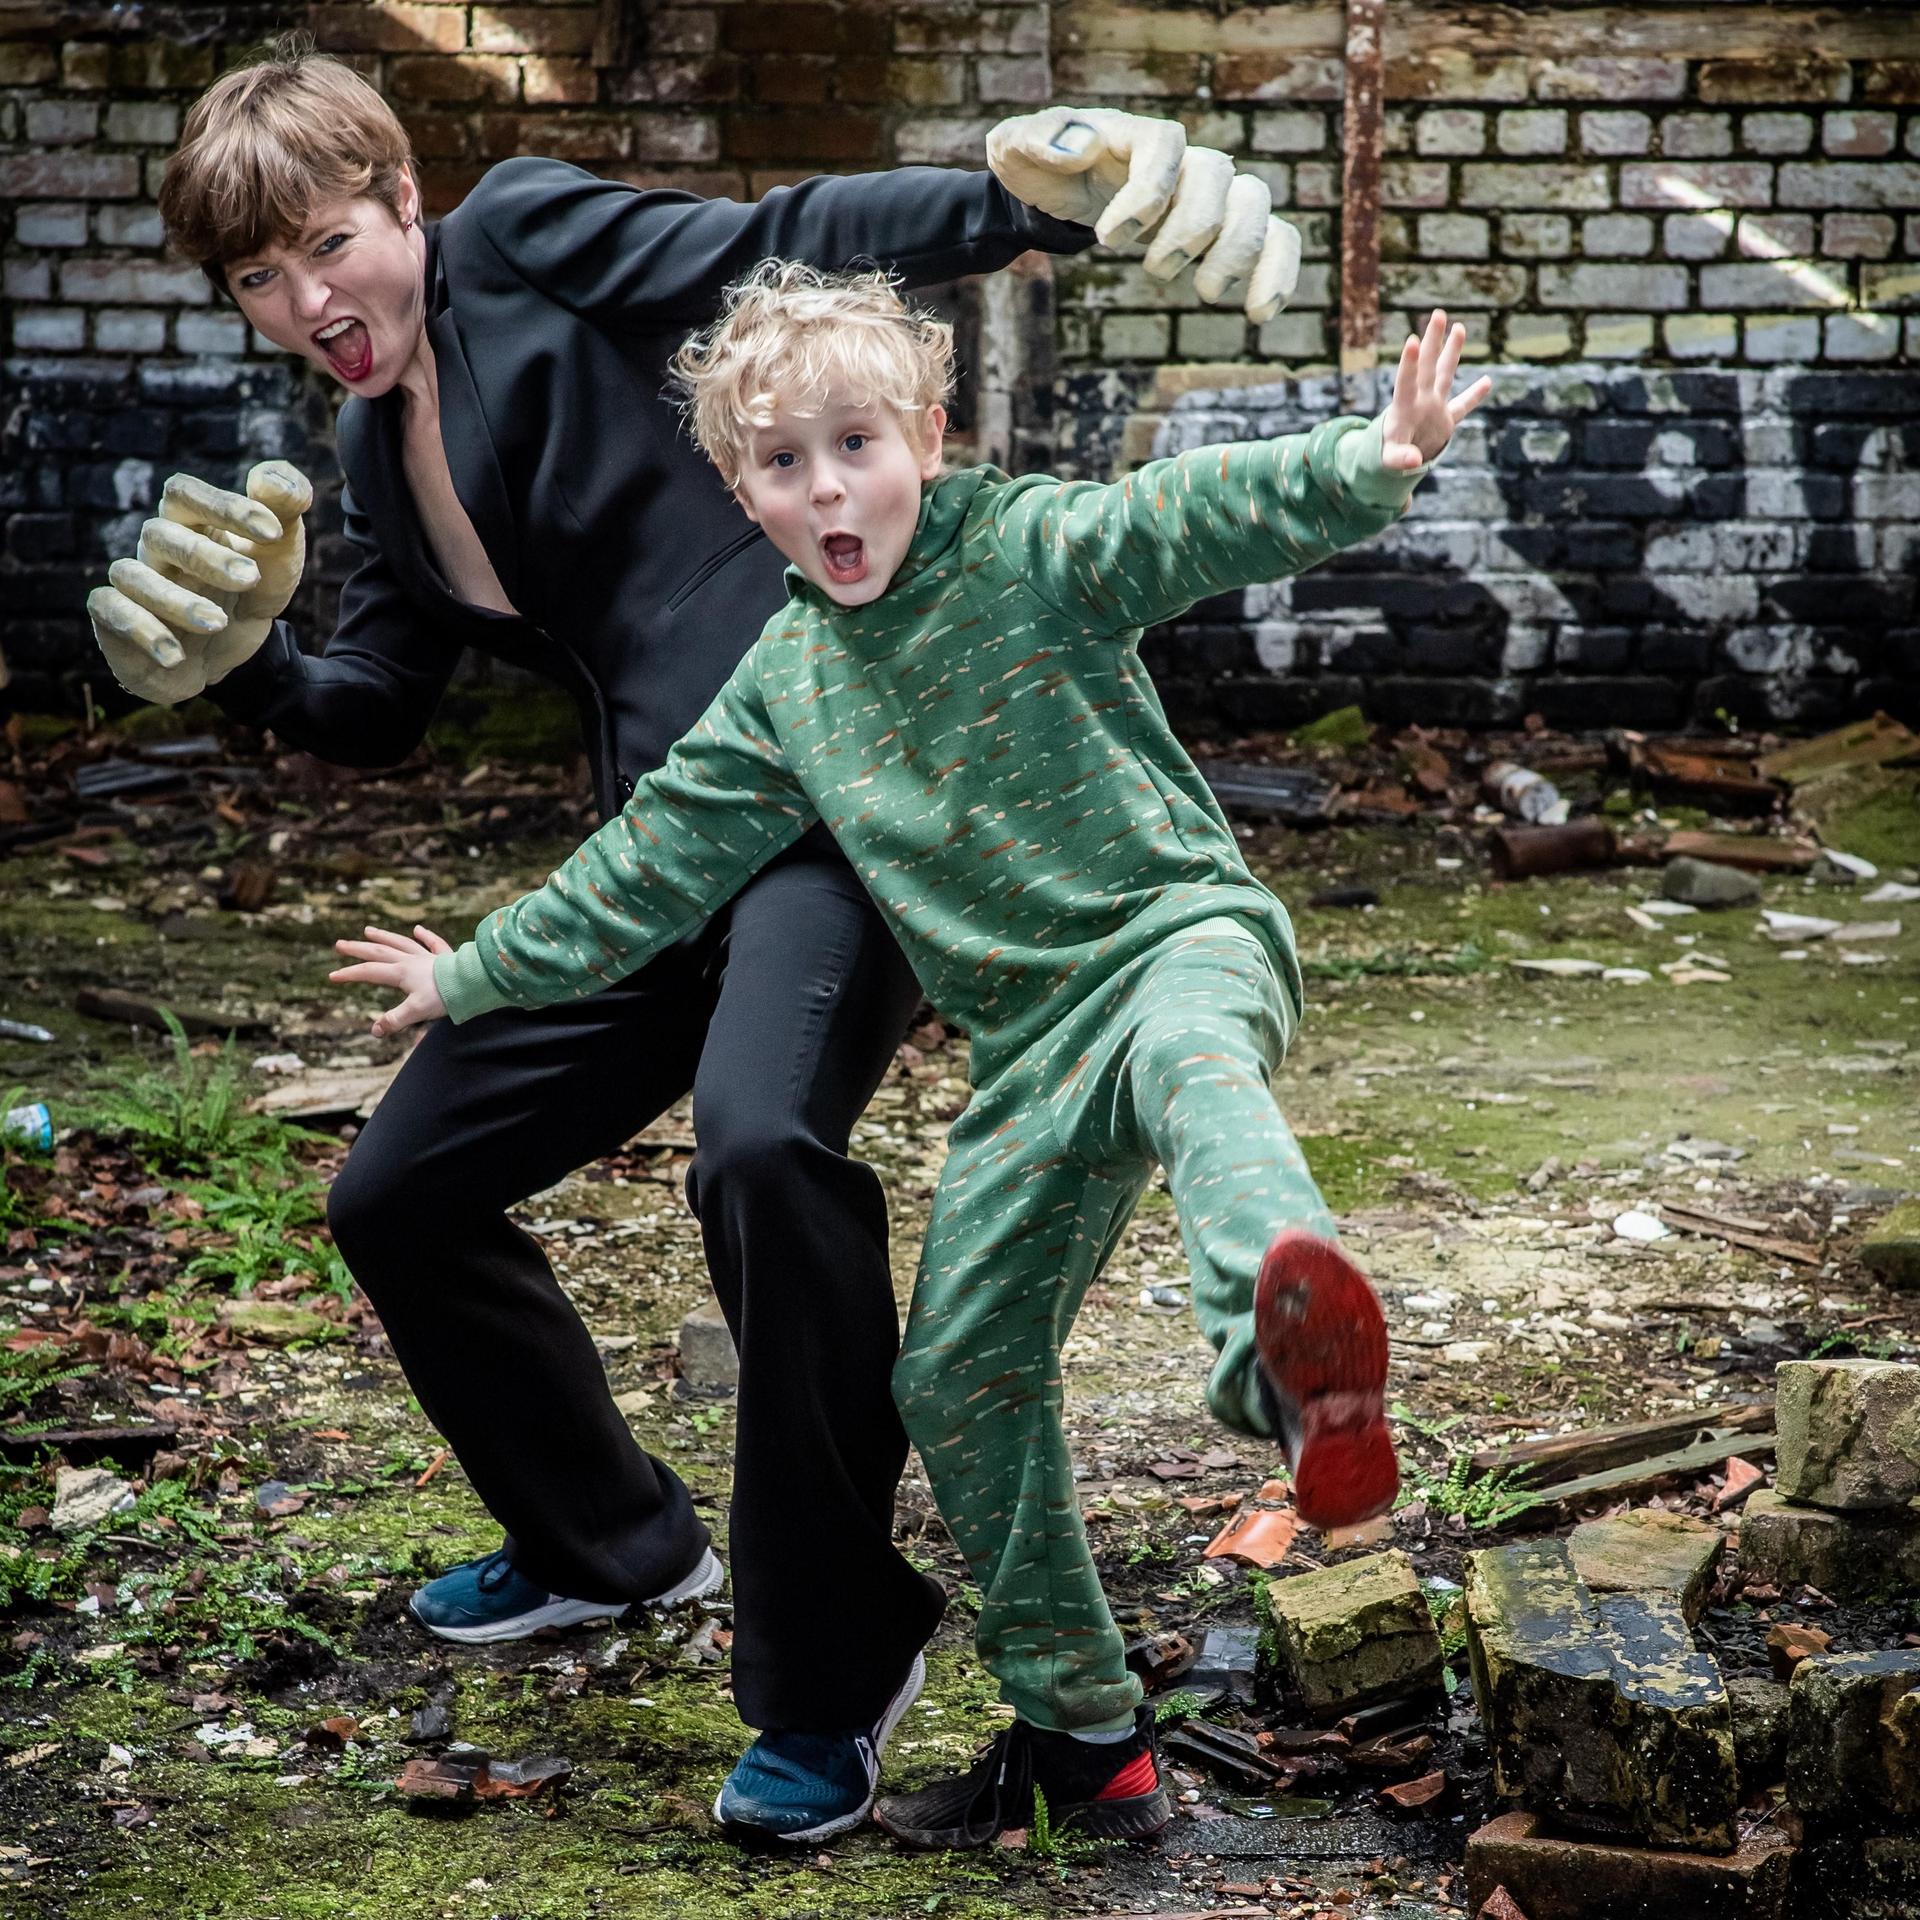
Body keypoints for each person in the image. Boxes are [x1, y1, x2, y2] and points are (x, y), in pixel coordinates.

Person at [80, 39, 1303, 1844]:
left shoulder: (526, 239)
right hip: (666, 846)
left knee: (760, 1147)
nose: (307, 302)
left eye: (329, 245)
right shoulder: (365, 440)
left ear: (406, 200)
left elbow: (778, 236)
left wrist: (1014, 201)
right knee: (395, 1189)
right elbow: (374, 704)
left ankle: (836, 1663)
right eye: (258, 279)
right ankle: (611, 1540)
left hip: (836, 811)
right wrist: (243, 664)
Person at [327, 261, 1492, 1849]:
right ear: (742, 495)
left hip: (1170, 947)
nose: (828, 489)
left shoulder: (1026, 547)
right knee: (955, 1373)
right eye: (784, 466)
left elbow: (1179, 514)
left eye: (855, 444)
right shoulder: (788, 689)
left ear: (928, 437)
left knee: (1200, 1079)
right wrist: (471, 970)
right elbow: (648, 867)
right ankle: (1089, 1738)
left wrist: (1365, 464)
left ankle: (1294, 1367)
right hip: (1028, 1046)